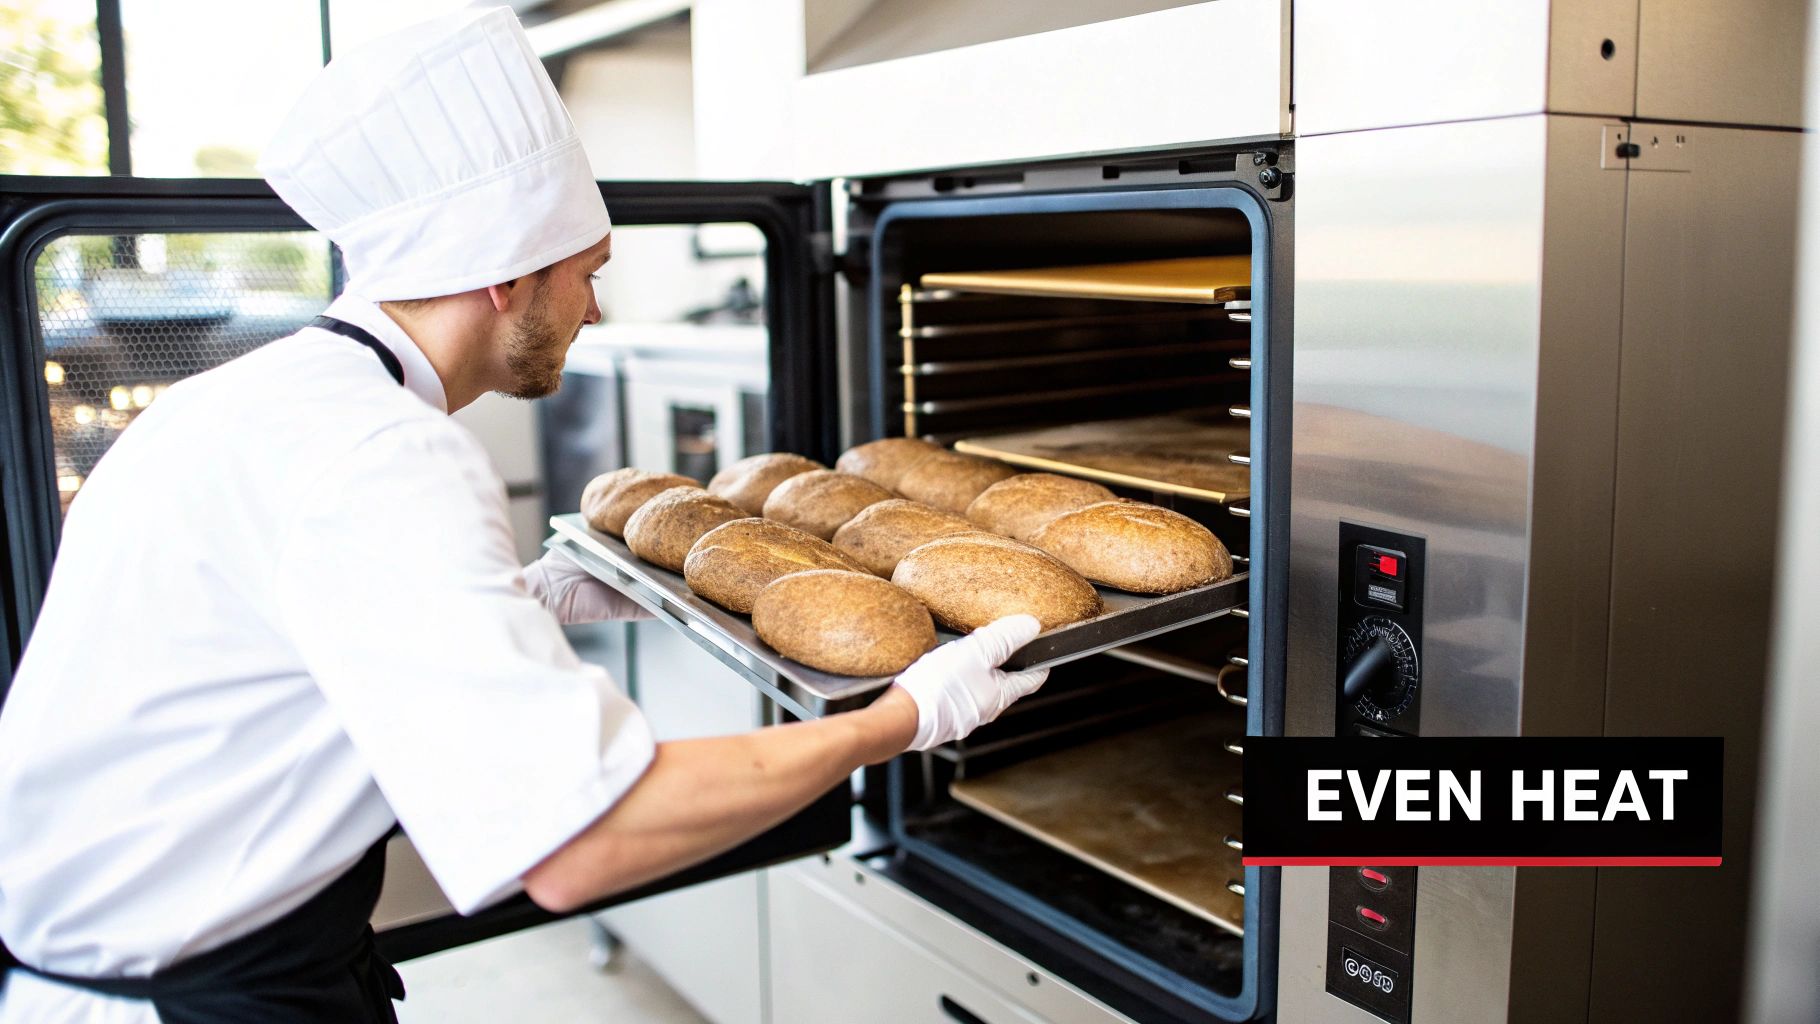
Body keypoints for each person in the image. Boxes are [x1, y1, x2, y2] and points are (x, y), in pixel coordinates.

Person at [0, 8, 1047, 1022]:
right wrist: (900, 718)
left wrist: (528, 599)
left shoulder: (248, 399)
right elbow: (584, 839)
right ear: (504, 276)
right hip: (194, 996)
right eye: (585, 274)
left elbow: (276, 649)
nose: (594, 309)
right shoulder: (389, 454)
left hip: (171, 959)